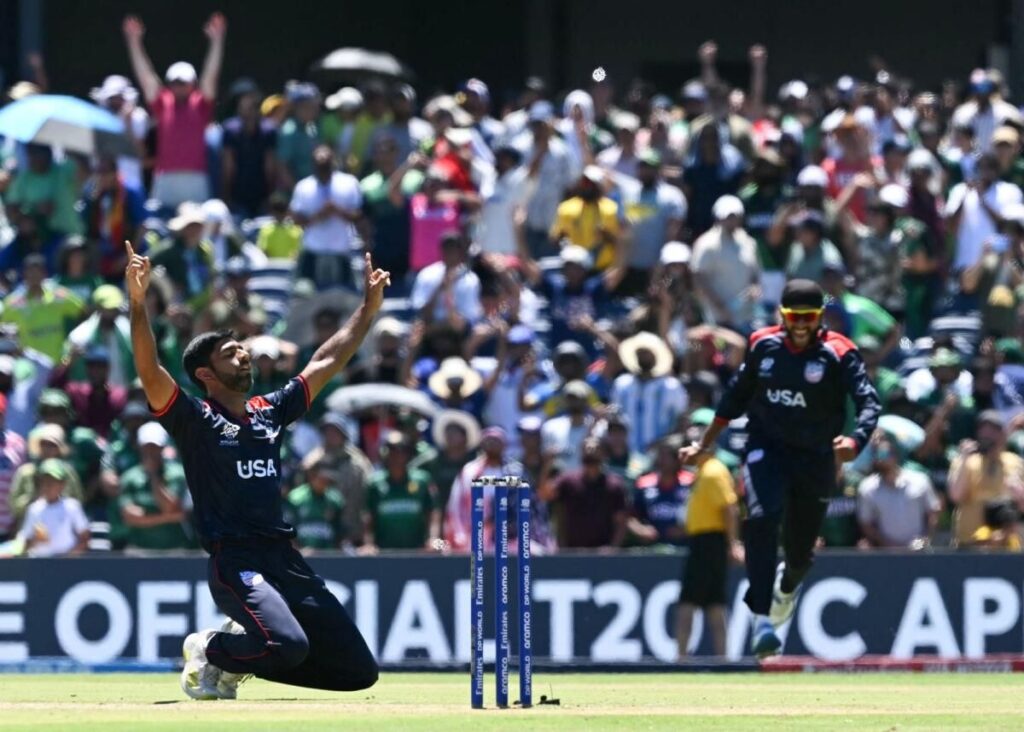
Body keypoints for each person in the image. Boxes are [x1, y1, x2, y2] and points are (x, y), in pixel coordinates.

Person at [125, 240, 388, 699]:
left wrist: (367, 310)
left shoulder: (269, 411)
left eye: (242, 349)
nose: (243, 355)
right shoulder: (195, 419)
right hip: (237, 561)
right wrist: (137, 303)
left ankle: (238, 653)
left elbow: (325, 361)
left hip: (284, 558)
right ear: (205, 374)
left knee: (357, 673)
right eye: (230, 353)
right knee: (287, 646)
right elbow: (149, 371)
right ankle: (213, 649)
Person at [680, 279, 880, 658]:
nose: (801, 326)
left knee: (800, 553)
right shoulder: (762, 344)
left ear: (820, 317)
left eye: (809, 317)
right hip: (766, 448)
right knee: (763, 517)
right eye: (794, 317)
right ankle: (762, 620)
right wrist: (703, 444)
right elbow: (734, 398)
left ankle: (786, 590)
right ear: (782, 315)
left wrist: (856, 441)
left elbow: (869, 402)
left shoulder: (839, 352)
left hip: (816, 457)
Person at [122, 13, 225, 208]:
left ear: (193, 84)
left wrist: (216, 42)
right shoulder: (163, 103)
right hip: (165, 177)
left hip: (196, 177)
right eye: (175, 83)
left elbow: (211, 76)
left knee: (197, 222)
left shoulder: (201, 104)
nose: (179, 87)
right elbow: (146, 77)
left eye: (183, 82)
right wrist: (134, 42)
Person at [676, 447, 741, 658]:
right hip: (706, 542)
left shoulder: (713, 471)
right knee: (715, 602)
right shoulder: (705, 471)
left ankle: (681, 658)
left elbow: (729, 508)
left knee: (688, 601)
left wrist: (733, 544)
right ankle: (722, 658)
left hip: (708, 542)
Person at [289, 145, 363, 290]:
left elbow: (358, 215)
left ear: (332, 161)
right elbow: (296, 219)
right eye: (319, 163)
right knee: (307, 296)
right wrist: (318, 216)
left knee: (343, 296)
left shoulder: (348, 183)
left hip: (341, 252)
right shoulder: (303, 186)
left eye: (326, 162)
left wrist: (337, 210)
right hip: (313, 252)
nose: (323, 166)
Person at [948, 410, 1024, 547]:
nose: (988, 435)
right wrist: (964, 459)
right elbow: (956, 496)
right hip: (970, 544)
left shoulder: (1015, 462)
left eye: (993, 431)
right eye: (984, 431)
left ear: (1003, 434)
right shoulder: (965, 461)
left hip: (1005, 545)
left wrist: (1019, 492)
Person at [540, 437, 628, 549]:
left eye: (595, 449)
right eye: (586, 449)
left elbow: (621, 522)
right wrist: (547, 465)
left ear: (604, 455)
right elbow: (544, 495)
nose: (590, 451)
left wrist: (613, 548)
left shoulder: (614, 485)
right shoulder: (568, 481)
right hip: (572, 551)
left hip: (602, 552)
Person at [856, 430, 940, 549]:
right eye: (876, 454)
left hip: (919, 551)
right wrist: (886, 544)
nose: (880, 459)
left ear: (894, 455)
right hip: (886, 552)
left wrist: (924, 540)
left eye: (884, 454)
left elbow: (933, 513)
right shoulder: (867, 487)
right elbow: (866, 523)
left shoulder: (920, 480)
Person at [361, 431, 440, 553]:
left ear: (408, 454)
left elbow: (433, 512)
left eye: (401, 450)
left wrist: (433, 539)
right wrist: (368, 544)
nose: (396, 456)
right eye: (391, 450)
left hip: (417, 552)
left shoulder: (422, 481)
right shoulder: (375, 483)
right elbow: (368, 517)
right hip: (384, 553)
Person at [118, 421, 192, 550]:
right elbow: (130, 517)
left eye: (155, 447)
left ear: (162, 447)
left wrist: (153, 476)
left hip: (175, 550)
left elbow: (173, 508)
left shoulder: (178, 474)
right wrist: (167, 518)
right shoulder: (129, 478)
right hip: (139, 550)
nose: (150, 451)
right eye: (146, 447)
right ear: (139, 447)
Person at [16, 458, 89, 557]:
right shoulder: (34, 509)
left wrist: (69, 558)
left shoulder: (72, 506)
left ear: (62, 484)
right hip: (39, 562)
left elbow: (84, 538)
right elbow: (26, 542)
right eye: (45, 481)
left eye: (53, 481)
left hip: (66, 563)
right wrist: (36, 540)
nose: (48, 485)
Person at [285, 458, 347, 550]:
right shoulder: (295, 498)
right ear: (312, 476)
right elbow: (287, 531)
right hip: (300, 553)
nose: (326, 482)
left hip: (328, 555)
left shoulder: (335, 500)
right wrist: (297, 550)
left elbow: (340, 533)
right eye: (323, 479)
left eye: (328, 480)